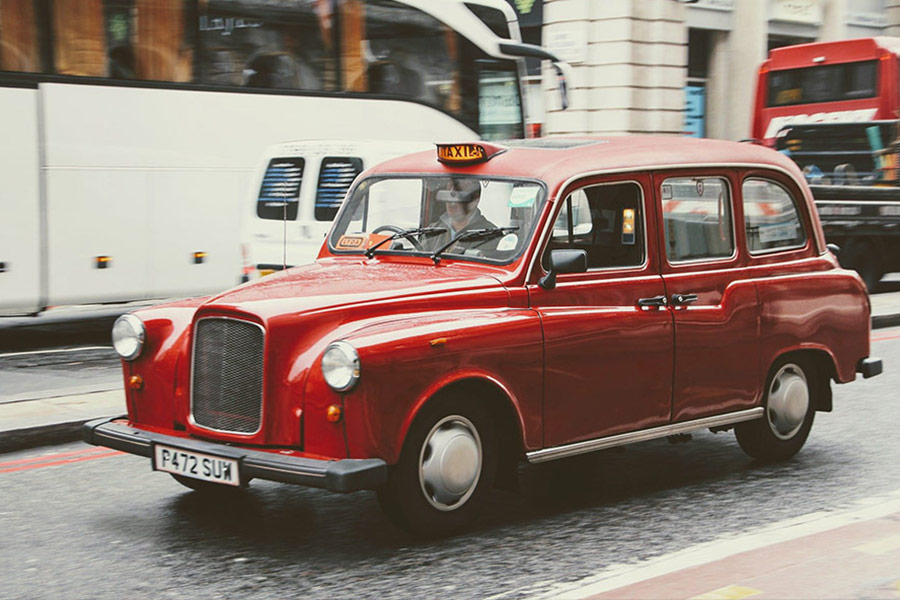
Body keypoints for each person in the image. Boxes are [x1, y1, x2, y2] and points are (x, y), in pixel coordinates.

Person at [427, 179, 498, 254]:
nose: (451, 203)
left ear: (475, 200)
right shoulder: (432, 232)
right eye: (448, 195)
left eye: (459, 196)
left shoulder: (491, 236)